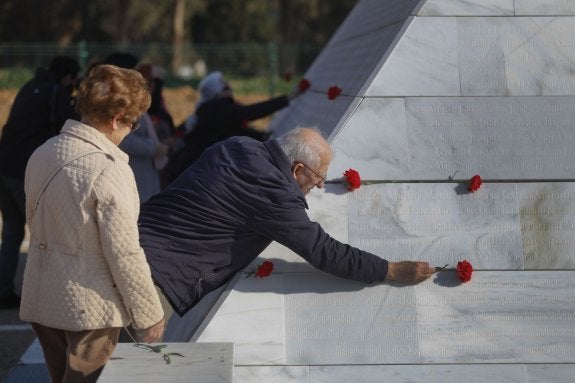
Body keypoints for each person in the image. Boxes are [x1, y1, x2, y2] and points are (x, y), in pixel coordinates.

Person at [138, 127, 435, 319]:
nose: (319, 187)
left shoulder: (236, 144)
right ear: (297, 169)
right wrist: (390, 270)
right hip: (157, 280)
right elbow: (323, 251)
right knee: (104, 362)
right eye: (318, 178)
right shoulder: (274, 194)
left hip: (134, 240)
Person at [19, 64, 166, 382]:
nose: (131, 131)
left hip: (42, 294)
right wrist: (149, 314)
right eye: (134, 123)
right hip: (89, 306)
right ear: (116, 120)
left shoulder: (43, 152)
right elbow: (124, 252)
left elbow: (36, 220)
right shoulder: (108, 168)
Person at [0, 55, 80, 309]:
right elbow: (67, 129)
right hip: (25, 170)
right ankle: (43, 296)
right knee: (43, 234)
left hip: (4, 164)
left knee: (12, 232)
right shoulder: (57, 92)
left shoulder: (29, 86)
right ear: (68, 76)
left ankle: (3, 291)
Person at [165, 71, 307, 182]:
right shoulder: (220, 109)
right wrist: (288, 98)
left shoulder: (206, 109)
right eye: (225, 86)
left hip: (193, 165)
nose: (230, 88)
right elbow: (253, 111)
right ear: (217, 92)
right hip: (202, 167)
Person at [103, 53, 170, 202]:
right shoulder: (116, 100)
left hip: (143, 172)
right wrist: (154, 148)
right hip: (134, 172)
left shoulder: (131, 96)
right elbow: (123, 137)